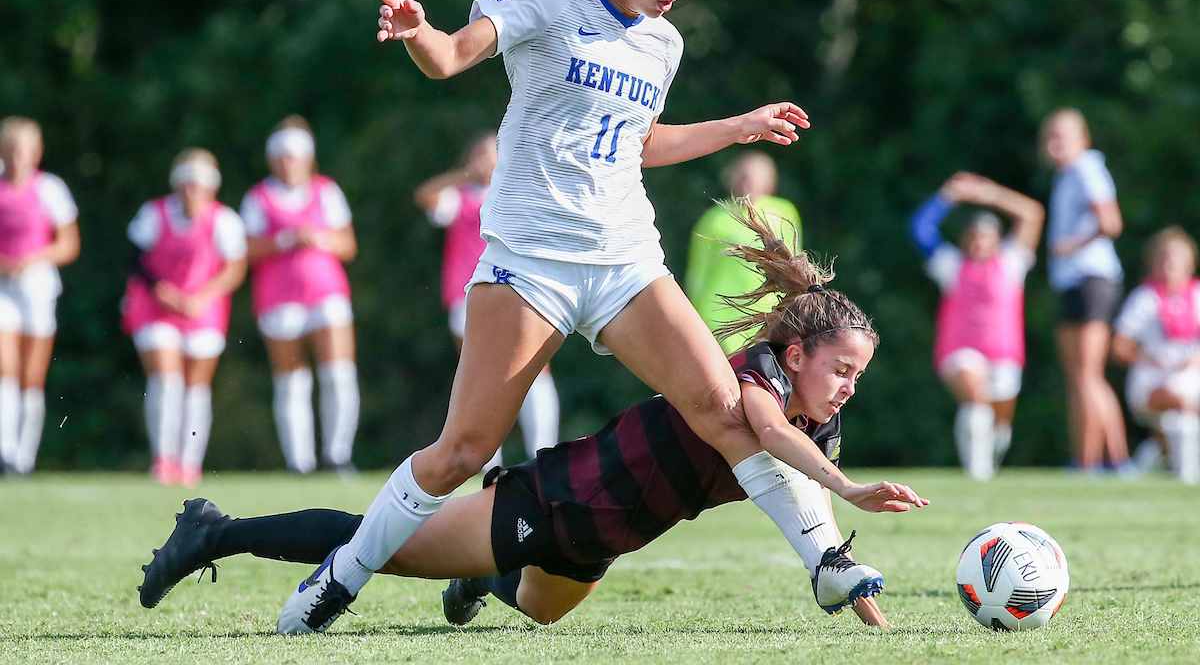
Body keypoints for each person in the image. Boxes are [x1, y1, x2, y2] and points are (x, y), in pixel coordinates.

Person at [278, 0, 848, 634]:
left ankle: (827, 566)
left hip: (624, 260)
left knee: (723, 409)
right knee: (461, 454)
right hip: (531, 263)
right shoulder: (549, 1)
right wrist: (419, 33)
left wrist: (737, 127)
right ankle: (341, 576)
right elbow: (447, 58)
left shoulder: (664, 43)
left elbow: (639, 141)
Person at [139, 204, 928, 629]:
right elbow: (766, 431)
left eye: (858, 376)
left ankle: (484, 570)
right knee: (378, 545)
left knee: (538, 611)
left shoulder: (820, 426)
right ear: (796, 354)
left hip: (612, 535)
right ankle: (213, 532)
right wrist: (848, 486)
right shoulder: (754, 374)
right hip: (564, 498)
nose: (849, 388)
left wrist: (869, 611)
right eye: (841, 370)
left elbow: (816, 521)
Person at [414, 133, 560, 470]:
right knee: (479, 375)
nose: (486, 159)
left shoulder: (517, 192)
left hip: (518, 291)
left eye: (493, 152)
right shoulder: (459, 198)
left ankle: (543, 452)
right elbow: (425, 196)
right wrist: (465, 175)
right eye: (479, 153)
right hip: (467, 296)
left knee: (535, 367)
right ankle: (487, 459)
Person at [240, 117, 360, 475]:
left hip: (326, 292)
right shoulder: (258, 198)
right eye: (281, 157)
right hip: (278, 298)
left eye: (293, 156)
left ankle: (338, 454)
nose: (287, 164)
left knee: (338, 373)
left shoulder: (326, 191)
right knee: (292, 381)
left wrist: (319, 239)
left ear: (308, 159)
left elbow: (347, 245)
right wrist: (285, 240)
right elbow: (245, 249)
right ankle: (299, 461)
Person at [122, 149, 247, 487]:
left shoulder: (224, 221)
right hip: (157, 309)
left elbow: (234, 267)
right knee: (166, 381)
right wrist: (161, 290)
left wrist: (202, 297)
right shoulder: (154, 214)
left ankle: (189, 462)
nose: (192, 191)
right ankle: (163, 459)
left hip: (202, 310)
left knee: (196, 386)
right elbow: (134, 258)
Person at [909, 172, 1044, 480]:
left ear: (997, 239)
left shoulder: (1012, 262)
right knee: (977, 402)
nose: (978, 241)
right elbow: (920, 228)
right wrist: (947, 196)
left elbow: (1032, 214)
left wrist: (988, 193)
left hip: (1005, 355)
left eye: (984, 235)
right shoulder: (951, 265)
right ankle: (977, 473)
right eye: (972, 236)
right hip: (960, 350)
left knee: (999, 423)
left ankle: (990, 457)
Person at [1041, 108, 1130, 473]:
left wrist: (1072, 246)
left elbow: (1111, 222)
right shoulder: (1067, 175)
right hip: (1075, 282)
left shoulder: (1087, 168)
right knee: (1083, 377)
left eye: (1061, 137)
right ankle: (1112, 461)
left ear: (1083, 139)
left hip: (1091, 278)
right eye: (1049, 138)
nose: (1053, 145)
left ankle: (1091, 462)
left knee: (1086, 376)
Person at [0, 117, 80, 475]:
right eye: (10, 150)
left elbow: (68, 244)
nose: (16, 157)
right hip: (2, 287)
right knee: (5, 369)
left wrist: (33, 258)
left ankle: (24, 457)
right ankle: (5, 451)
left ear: (36, 152)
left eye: (23, 150)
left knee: (31, 376)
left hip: (37, 287)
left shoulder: (50, 189)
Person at [686, 151, 801, 354]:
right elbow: (697, 272)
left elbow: (795, 261)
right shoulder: (714, 219)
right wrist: (694, 317)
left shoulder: (783, 212)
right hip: (719, 313)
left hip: (768, 311)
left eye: (755, 178)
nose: (748, 183)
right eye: (744, 177)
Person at [1111, 227, 1200, 484]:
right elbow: (1119, 345)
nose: (1170, 263)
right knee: (1180, 402)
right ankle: (1186, 473)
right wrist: (1150, 358)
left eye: (1176, 257)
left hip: (1190, 378)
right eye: (1164, 257)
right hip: (1151, 381)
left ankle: (1156, 455)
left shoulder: (1196, 295)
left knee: (1180, 417)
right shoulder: (1144, 298)